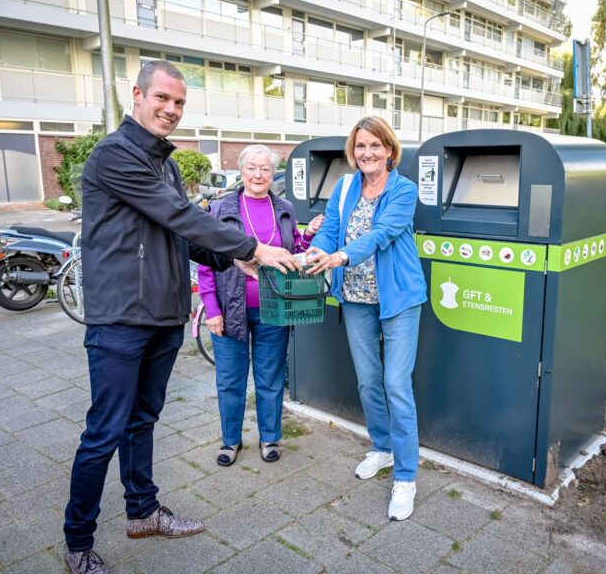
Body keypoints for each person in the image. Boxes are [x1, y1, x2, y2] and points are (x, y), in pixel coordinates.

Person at [63, 61, 301, 574]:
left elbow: (179, 234)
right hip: (122, 317)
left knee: (143, 420)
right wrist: (252, 247)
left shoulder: (165, 165)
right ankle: (78, 541)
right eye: (163, 99)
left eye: (179, 103)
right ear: (138, 95)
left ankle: (142, 511)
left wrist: (227, 257)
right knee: (104, 431)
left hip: (164, 314)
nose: (171, 110)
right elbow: (181, 216)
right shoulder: (114, 156)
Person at [306, 116, 427, 521]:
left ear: (390, 150)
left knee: (396, 383)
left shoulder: (403, 189)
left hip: (399, 298)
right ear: (352, 150)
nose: (367, 153)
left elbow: (382, 234)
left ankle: (406, 476)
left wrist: (340, 255)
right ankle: (382, 448)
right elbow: (331, 231)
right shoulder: (344, 187)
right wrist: (317, 250)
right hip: (356, 298)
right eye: (361, 146)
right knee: (368, 379)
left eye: (376, 146)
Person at [198, 145, 323, 467]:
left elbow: (293, 250)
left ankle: (270, 436)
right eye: (251, 168)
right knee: (230, 380)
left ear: (272, 173)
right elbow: (206, 264)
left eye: (265, 168)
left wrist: (306, 237)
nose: (258, 174)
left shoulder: (284, 207)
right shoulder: (222, 208)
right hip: (229, 309)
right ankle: (230, 441)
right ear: (241, 171)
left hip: (274, 308)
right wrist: (211, 309)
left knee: (270, 377)